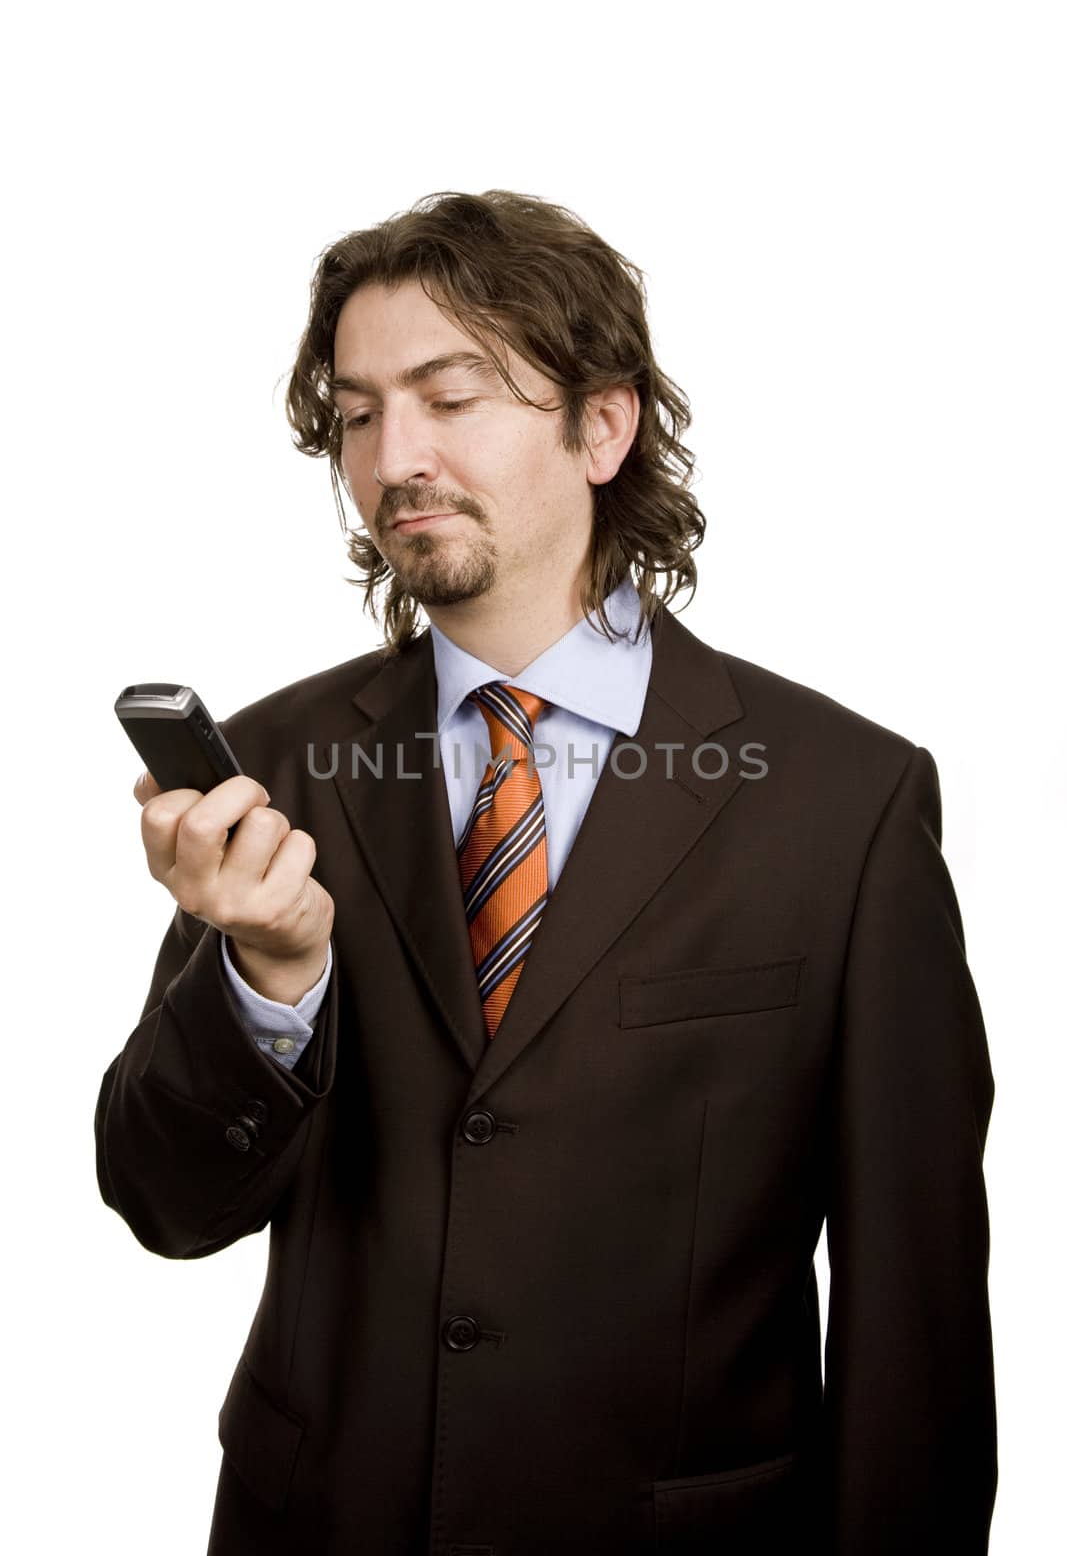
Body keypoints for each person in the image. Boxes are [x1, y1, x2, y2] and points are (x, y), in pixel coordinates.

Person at [95, 189, 997, 1556]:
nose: (396, 455)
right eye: (355, 413)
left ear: (602, 426)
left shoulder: (846, 805)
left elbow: (913, 1321)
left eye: (449, 397)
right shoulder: (273, 765)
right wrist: (266, 976)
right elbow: (164, 1204)